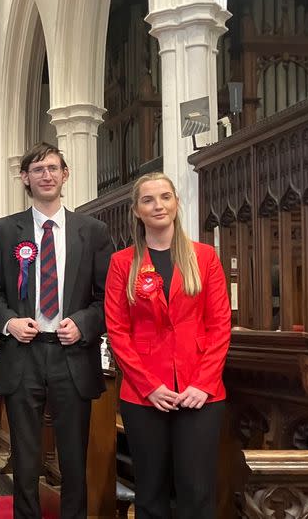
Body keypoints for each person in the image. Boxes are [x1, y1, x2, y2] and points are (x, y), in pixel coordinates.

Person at [0, 142, 114, 519]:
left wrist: (84, 324)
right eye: (38, 169)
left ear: (65, 175)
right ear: (25, 177)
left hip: (72, 355)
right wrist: (8, 321)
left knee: (74, 456)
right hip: (22, 354)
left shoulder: (92, 231)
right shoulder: (4, 230)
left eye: (53, 168)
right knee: (24, 457)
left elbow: (106, 298)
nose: (46, 175)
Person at [104, 172, 231, 519]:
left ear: (176, 203)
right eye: (148, 199)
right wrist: (149, 387)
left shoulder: (204, 257)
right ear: (136, 210)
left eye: (165, 197)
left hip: (200, 392)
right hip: (145, 394)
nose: (157, 205)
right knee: (150, 490)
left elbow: (220, 325)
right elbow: (118, 331)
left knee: (196, 490)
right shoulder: (121, 263)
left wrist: (203, 385)